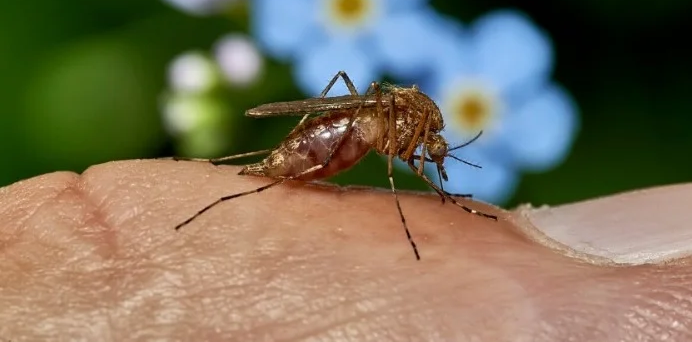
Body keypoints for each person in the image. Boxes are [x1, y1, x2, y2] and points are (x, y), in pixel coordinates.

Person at [1, 159, 690, 341]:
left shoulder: (413, 126)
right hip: (335, 132)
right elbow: (400, 159)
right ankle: (235, 178)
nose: (431, 155)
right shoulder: (401, 131)